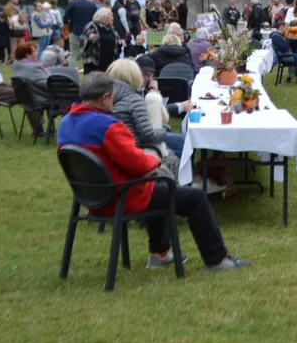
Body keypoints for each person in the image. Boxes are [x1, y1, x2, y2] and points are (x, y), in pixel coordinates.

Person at [57, 72, 249, 271]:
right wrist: (154, 159)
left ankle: (160, 252)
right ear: (105, 97)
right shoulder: (108, 126)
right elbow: (139, 164)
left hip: (91, 198)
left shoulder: (65, 123)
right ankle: (217, 260)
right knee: (194, 197)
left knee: (157, 185)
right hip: (121, 196)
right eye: (113, 96)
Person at [107, 58, 183, 173]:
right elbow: (149, 135)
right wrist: (163, 131)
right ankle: (186, 183)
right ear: (134, 76)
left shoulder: (109, 96)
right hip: (138, 150)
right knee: (177, 149)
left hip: (121, 151)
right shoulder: (133, 99)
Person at [9, 42, 50, 134]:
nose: (38, 53)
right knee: (65, 98)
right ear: (27, 55)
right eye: (35, 52)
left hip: (28, 99)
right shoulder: (34, 68)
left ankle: (38, 129)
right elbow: (47, 84)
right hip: (40, 99)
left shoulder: (17, 64)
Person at [80, 7, 122, 75]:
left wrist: (120, 42)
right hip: (94, 64)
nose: (112, 17)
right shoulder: (92, 26)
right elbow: (81, 42)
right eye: (110, 15)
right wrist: (89, 39)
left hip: (109, 63)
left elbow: (116, 41)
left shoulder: (111, 28)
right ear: (104, 16)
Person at [64, 0, 97, 69]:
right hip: (88, 32)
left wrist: (66, 25)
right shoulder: (92, 5)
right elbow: (95, 18)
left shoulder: (72, 3)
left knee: (73, 53)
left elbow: (65, 18)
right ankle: (86, 69)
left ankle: (71, 69)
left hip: (75, 30)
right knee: (87, 51)